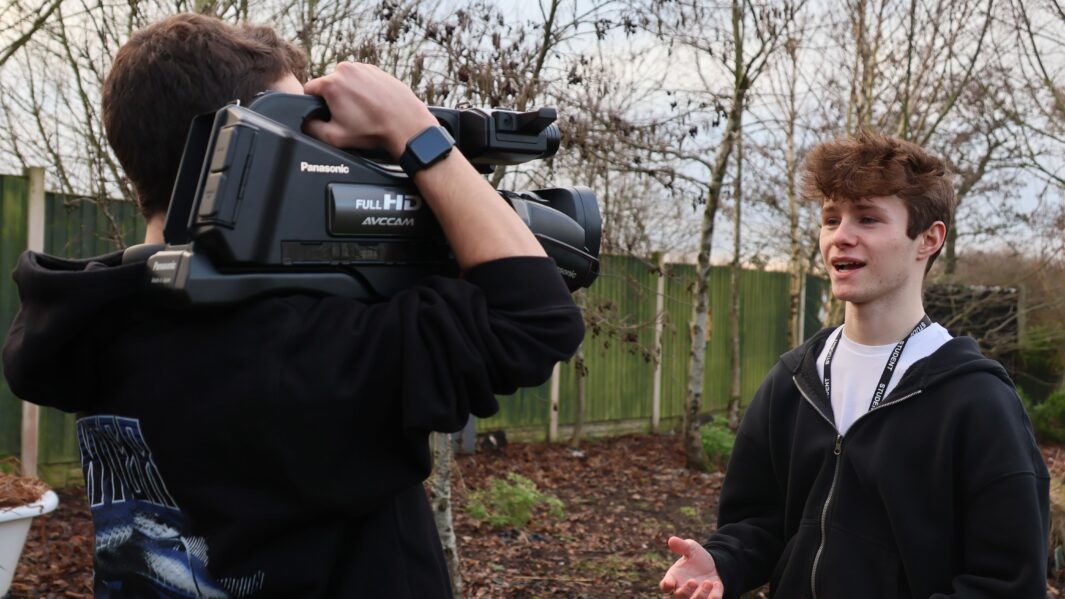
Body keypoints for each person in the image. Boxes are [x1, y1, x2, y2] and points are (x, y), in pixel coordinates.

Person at [2, 13, 583, 597]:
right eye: (308, 138)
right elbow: (534, 319)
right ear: (250, 149)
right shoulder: (306, 351)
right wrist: (417, 135)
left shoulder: (98, 320)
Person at [659, 132, 1050, 599]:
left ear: (929, 238)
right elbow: (758, 523)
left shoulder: (977, 402)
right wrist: (723, 561)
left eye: (867, 218)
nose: (841, 236)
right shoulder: (793, 381)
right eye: (830, 218)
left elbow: (1007, 583)